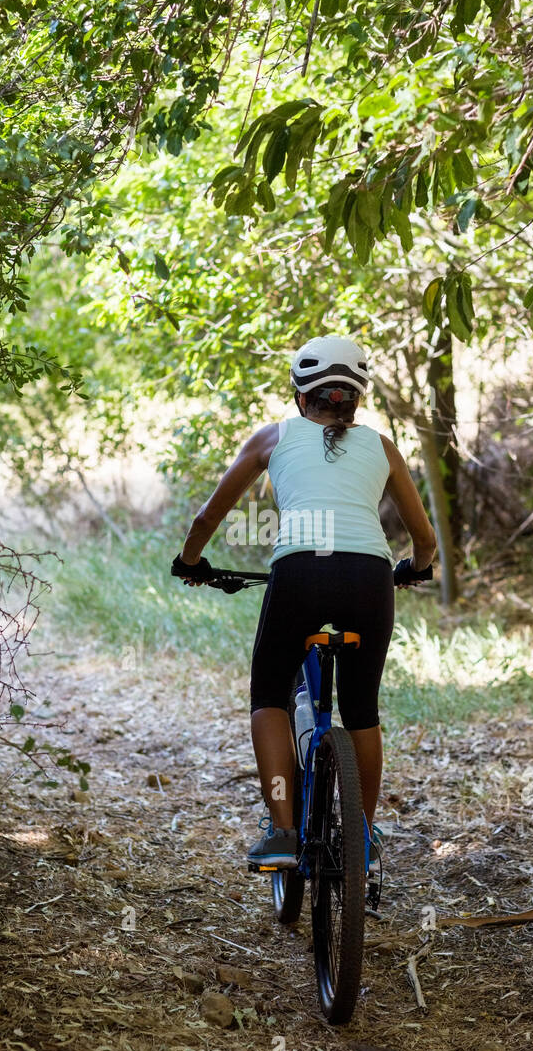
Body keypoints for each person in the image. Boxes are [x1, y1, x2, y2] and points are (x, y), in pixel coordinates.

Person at [171, 335, 436, 868]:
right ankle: (361, 835)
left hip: (299, 573)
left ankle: (284, 834)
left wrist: (192, 562)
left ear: (300, 395)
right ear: (356, 398)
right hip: (369, 578)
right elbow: (425, 539)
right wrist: (414, 568)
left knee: (269, 695)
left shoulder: (273, 437)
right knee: (361, 709)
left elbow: (207, 519)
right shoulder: (383, 447)